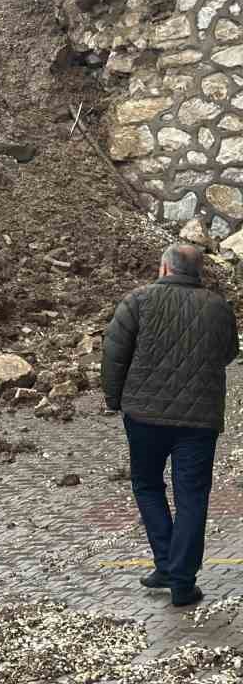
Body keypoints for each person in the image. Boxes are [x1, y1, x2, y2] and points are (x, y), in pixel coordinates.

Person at [103, 242, 239, 607]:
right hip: (199, 420)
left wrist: (115, 401)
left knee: (147, 485)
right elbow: (229, 353)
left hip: (144, 416)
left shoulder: (137, 301)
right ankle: (179, 577)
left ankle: (168, 564)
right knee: (192, 496)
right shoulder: (218, 307)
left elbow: (114, 353)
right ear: (198, 273)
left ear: (165, 269)